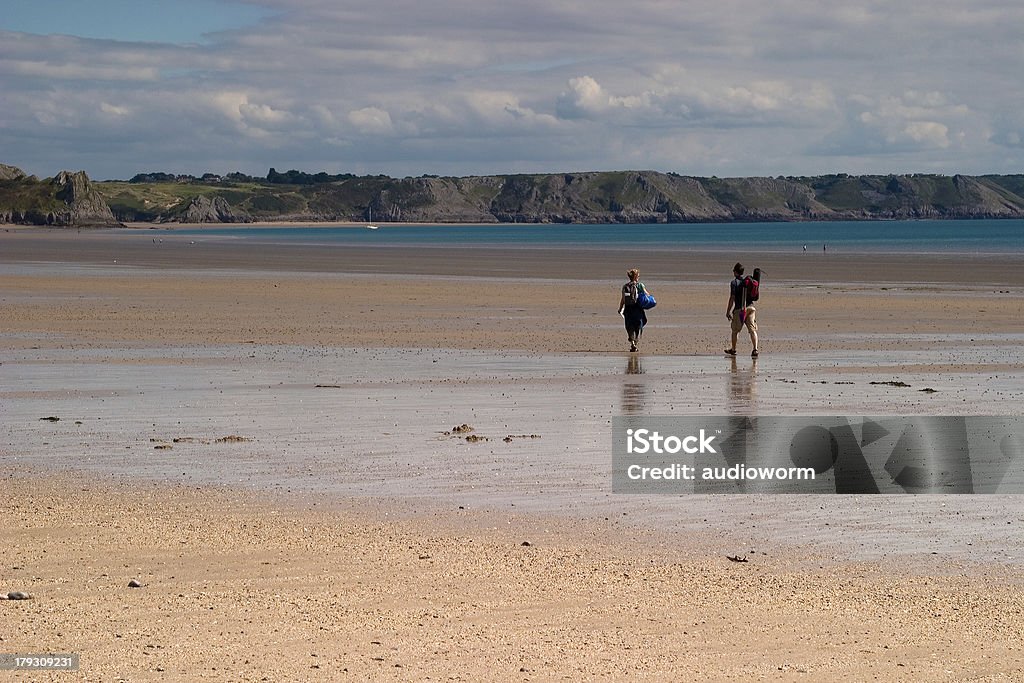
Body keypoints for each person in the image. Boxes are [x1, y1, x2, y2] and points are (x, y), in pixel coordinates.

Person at [725, 262, 759, 358]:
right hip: (751, 308)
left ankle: (733, 349)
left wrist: (728, 311)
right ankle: (755, 349)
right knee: (752, 330)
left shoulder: (734, 283)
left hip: (740, 310)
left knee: (735, 330)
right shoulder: (747, 282)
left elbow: (732, 298)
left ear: (735, 272)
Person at [618, 268, 649, 352]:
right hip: (637, 308)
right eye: (638, 275)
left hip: (628, 308)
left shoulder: (625, 286)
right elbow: (647, 295)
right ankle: (635, 340)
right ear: (635, 276)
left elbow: (623, 299)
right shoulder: (640, 285)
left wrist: (620, 308)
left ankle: (632, 343)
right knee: (638, 325)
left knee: (629, 326)